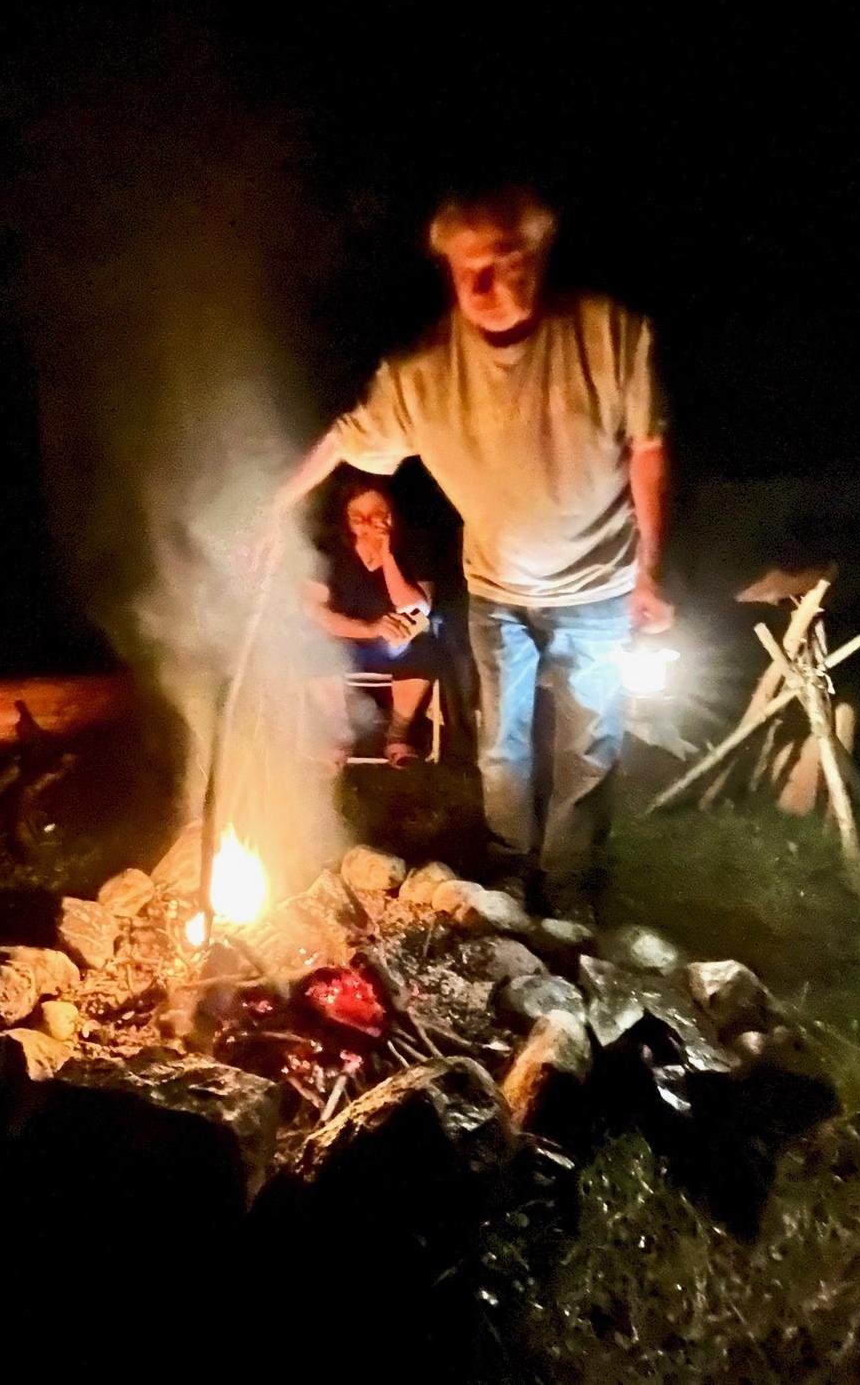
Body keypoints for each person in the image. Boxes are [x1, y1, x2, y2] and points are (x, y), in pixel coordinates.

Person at [265, 187, 673, 903]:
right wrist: (272, 511)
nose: (481, 286)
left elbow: (648, 453)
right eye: (463, 269)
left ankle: (570, 880)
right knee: (501, 743)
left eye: (501, 262)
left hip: (597, 587)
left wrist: (648, 572)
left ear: (538, 258)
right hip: (498, 592)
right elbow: (345, 439)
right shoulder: (422, 376)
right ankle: (513, 867)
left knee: (588, 745)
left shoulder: (611, 337)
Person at [302, 478, 439, 765]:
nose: (366, 523)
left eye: (375, 514)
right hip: (344, 639)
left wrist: (387, 557)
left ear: (389, 516)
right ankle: (339, 733)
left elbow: (418, 607)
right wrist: (368, 629)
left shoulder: (412, 546)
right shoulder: (331, 550)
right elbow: (314, 610)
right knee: (311, 641)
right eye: (357, 517)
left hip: (393, 642)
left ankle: (398, 734)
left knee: (423, 641)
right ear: (346, 521)